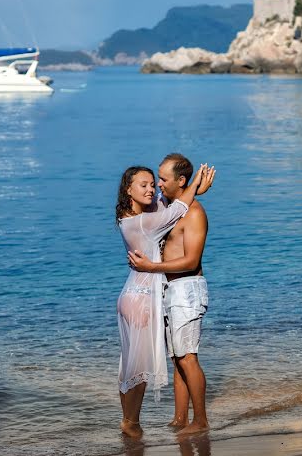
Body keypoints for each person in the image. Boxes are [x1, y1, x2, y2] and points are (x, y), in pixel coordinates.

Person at [114, 163, 208, 439]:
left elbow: (167, 204)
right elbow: (178, 209)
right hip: (141, 299)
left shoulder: (128, 217)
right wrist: (195, 188)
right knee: (140, 370)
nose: (152, 189)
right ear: (128, 190)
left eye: (154, 184)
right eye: (143, 185)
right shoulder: (145, 223)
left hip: (130, 295)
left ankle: (130, 421)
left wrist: (190, 190)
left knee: (130, 366)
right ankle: (130, 423)